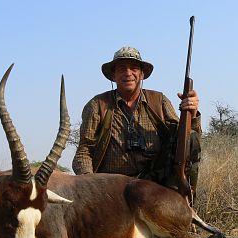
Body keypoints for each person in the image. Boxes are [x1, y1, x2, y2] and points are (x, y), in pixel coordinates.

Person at [72, 47, 201, 190]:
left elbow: (185, 140)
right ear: (113, 75)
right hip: (112, 186)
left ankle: (187, 199)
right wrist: (89, 181)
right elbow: (84, 150)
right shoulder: (97, 105)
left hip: (155, 183)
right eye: (122, 69)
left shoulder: (159, 101)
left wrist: (192, 114)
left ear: (142, 74)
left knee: (192, 139)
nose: (128, 73)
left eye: (133, 68)